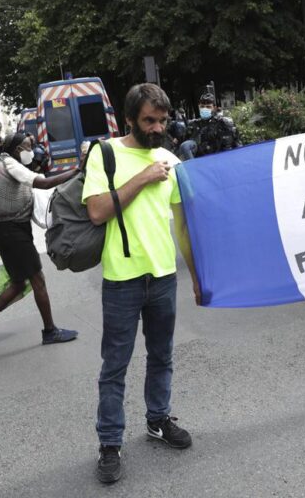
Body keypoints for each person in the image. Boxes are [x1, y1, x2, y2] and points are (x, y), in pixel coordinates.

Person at [83, 83, 200, 484]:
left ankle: (158, 419)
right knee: (114, 366)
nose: (157, 128)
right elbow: (97, 211)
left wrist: (198, 279)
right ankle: (110, 444)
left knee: (162, 356)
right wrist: (144, 177)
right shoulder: (106, 153)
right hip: (122, 280)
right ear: (130, 119)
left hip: (163, 277)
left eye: (163, 121)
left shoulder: (169, 159)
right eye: (149, 120)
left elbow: (182, 226)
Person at [0, 132, 80, 348]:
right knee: (38, 280)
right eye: (28, 146)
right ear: (18, 149)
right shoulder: (11, 164)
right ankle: (50, 331)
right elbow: (44, 184)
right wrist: (76, 171)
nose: (31, 150)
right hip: (12, 233)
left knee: (19, 284)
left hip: (0, 231)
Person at [179, 92, 240, 160]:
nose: (205, 109)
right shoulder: (193, 125)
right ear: (199, 106)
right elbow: (185, 147)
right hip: (199, 163)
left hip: (221, 161)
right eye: (202, 106)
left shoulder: (224, 123)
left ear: (214, 108)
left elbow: (237, 147)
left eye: (208, 107)